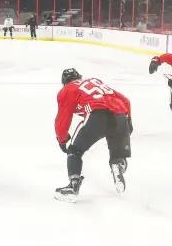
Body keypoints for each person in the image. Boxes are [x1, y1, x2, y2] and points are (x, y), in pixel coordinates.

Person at [54, 68, 132, 203]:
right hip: (120, 115)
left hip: (97, 115)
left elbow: (63, 117)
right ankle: (118, 164)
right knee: (117, 153)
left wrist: (62, 139)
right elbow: (125, 101)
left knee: (74, 150)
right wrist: (128, 121)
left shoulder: (67, 89)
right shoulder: (95, 82)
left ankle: (73, 186)